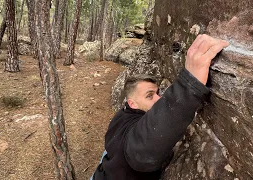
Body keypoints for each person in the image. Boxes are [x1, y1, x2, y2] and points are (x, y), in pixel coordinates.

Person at [91, 34, 229, 180]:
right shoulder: (132, 139)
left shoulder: (124, 113)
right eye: (149, 95)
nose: (159, 99)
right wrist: (190, 82)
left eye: (157, 93)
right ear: (132, 103)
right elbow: (142, 148)